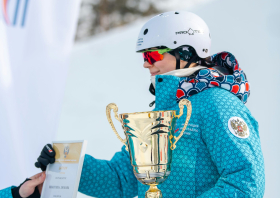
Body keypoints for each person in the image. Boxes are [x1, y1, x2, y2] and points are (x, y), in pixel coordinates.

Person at [0, 11, 265, 198]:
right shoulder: (163, 111)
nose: (145, 63)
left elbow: (246, 182)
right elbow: (122, 180)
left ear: (185, 53)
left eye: (152, 54)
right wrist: (70, 166)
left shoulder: (218, 105)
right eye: (144, 56)